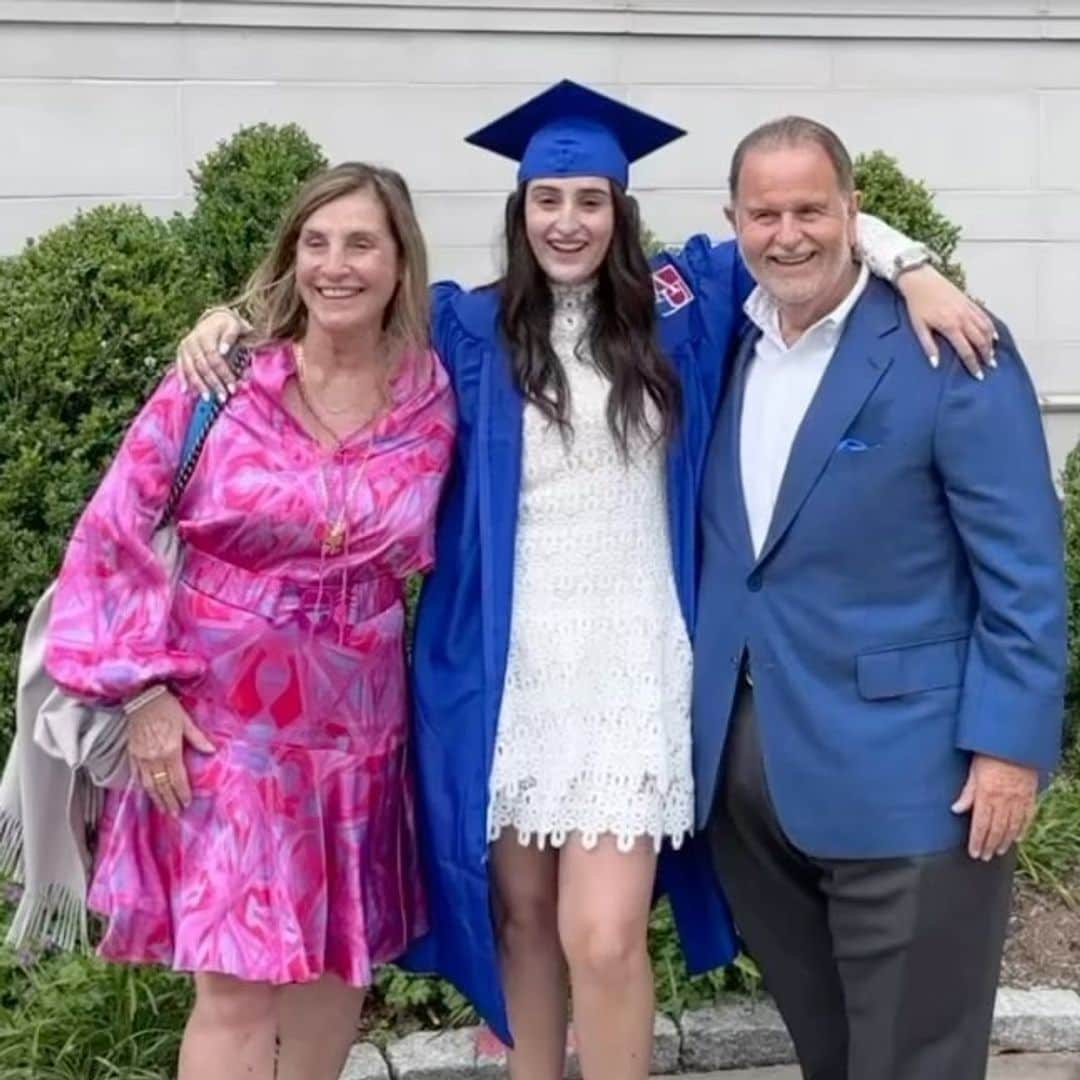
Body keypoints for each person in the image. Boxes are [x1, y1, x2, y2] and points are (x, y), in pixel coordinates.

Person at [175, 82, 995, 1080]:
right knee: (522, 919)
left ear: (620, 210)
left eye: (591, 199)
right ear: (521, 212)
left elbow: (797, 230)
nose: (569, 220)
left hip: (629, 660)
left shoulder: (680, 307)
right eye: (547, 198)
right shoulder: (465, 329)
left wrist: (909, 265)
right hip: (505, 665)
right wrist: (230, 316)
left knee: (601, 934)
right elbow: (341, 307)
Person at [43, 162, 455, 1080]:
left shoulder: (434, 393)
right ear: (290, 256)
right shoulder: (222, 381)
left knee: (332, 970)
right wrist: (141, 690)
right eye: (316, 242)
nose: (335, 265)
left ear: (399, 263)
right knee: (233, 984)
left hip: (358, 732)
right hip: (225, 724)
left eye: (360, 244)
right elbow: (112, 531)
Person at [694, 116, 1067, 1080]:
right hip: (753, 785)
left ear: (854, 215)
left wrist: (1011, 750)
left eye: (812, 209)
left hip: (916, 778)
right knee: (836, 1056)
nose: (788, 234)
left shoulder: (944, 344)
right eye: (764, 212)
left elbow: (1023, 566)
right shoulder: (725, 342)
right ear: (734, 220)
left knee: (917, 1062)